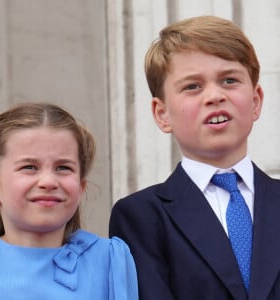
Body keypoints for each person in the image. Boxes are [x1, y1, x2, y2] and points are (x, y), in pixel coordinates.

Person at [109, 15, 280, 300]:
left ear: (255, 101)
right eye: (192, 86)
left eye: (229, 80)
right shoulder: (141, 217)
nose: (214, 96)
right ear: (161, 114)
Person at [0, 102, 138, 300]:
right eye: (29, 167)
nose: (48, 182)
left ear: (81, 188)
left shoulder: (110, 261)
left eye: (63, 168)